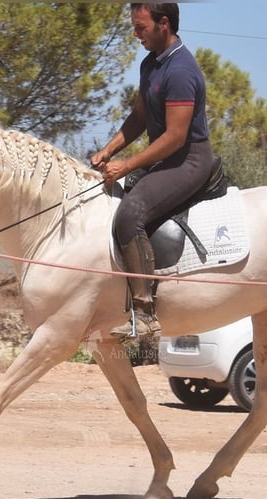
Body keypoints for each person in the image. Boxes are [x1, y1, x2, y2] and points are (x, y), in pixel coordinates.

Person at [91, 3, 213, 341]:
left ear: (164, 24)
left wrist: (127, 165)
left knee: (130, 215)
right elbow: (139, 118)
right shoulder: (151, 65)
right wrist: (109, 149)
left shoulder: (181, 69)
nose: (135, 34)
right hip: (166, 160)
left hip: (188, 160)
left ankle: (145, 315)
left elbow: (175, 137)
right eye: (134, 26)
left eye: (141, 27)